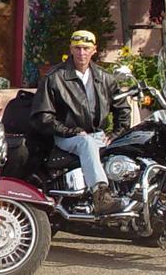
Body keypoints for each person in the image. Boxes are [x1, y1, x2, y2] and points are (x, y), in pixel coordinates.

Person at [29, 30, 132, 215]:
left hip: (98, 134)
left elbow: (122, 108)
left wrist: (116, 134)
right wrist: (70, 131)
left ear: (94, 50)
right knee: (86, 142)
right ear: (71, 49)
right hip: (67, 136)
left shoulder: (104, 77)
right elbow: (42, 116)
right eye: (77, 48)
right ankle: (101, 195)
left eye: (86, 48)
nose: (81, 53)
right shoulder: (54, 77)